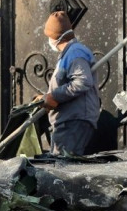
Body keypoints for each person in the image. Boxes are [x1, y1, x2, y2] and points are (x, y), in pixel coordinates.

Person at [41, 11, 100, 156]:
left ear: (54, 37)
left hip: (74, 121)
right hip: (69, 120)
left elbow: (82, 82)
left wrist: (54, 96)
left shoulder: (75, 53)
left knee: (64, 169)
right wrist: (47, 97)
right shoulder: (69, 53)